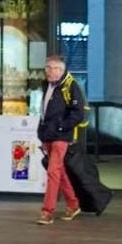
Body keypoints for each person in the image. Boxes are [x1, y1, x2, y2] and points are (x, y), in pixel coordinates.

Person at [36, 55, 85, 225]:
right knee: (59, 170)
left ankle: (47, 211)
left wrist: (62, 127)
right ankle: (73, 204)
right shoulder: (47, 85)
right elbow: (43, 113)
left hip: (61, 136)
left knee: (53, 171)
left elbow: (78, 113)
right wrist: (41, 135)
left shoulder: (71, 86)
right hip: (48, 134)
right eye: (47, 67)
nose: (49, 71)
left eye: (53, 68)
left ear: (61, 70)